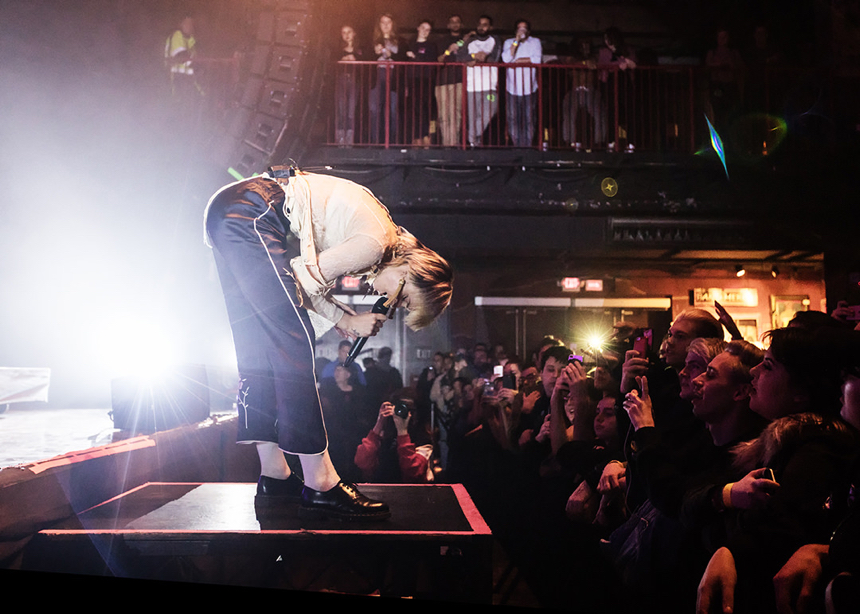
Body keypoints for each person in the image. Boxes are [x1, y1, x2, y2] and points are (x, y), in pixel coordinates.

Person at [203, 167, 453, 521]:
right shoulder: (374, 243)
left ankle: (275, 475)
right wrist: (345, 319)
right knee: (293, 347)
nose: (391, 303)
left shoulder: (378, 232)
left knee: (259, 351)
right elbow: (300, 279)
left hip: (232, 212)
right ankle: (321, 482)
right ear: (412, 271)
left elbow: (297, 278)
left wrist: (344, 317)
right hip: (251, 214)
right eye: (405, 299)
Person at [695, 327, 859, 613]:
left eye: (768, 366)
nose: (754, 372)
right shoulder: (771, 441)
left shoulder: (819, 449)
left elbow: (777, 528)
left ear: (801, 393)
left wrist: (732, 548)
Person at [354, 396, 432, 483]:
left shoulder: (423, 441)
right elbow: (361, 461)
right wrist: (379, 423)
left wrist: (402, 432)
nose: (406, 413)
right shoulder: (384, 435)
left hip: (410, 493)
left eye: (410, 410)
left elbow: (413, 472)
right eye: (400, 408)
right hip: (379, 490)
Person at [501, 19, 542, 147]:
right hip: (512, 88)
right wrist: (516, 41)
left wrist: (519, 61)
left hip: (530, 88)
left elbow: (537, 59)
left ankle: (527, 146)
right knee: (513, 119)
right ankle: (517, 145)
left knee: (529, 119)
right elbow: (506, 59)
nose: (522, 31)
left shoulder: (535, 42)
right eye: (519, 28)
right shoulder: (509, 42)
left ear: (528, 31)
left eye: (524, 28)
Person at [369, 14, 407, 144]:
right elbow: (365, 56)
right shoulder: (373, 41)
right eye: (382, 22)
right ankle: (375, 142)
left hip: (393, 76)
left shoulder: (400, 41)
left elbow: (404, 58)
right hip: (377, 76)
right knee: (375, 109)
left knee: (392, 110)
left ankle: (392, 142)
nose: (385, 25)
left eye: (388, 22)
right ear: (379, 25)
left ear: (393, 24)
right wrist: (375, 53)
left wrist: (393, 55)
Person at [463, 15, 501, 147]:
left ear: (490, 27)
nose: (481, 27)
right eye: (480, 24)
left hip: (489, 86)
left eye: (485, 24)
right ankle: (474, 144)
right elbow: (460, 56)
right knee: (473, 118)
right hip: (472, 87)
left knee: (488, 114)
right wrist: (473, 57)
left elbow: (495, 57)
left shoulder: (495, 39)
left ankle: (472, 137)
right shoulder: (470, 41)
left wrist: (484, 57)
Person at [435, 15, 468, 146]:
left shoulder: (466, 41)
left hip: (459, 80)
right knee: (444, 114)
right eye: (452, 22)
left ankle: (454, 144)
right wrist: (448, 51)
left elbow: (469, 54)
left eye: (458, 22)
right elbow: (439, 60)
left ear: (461, 25)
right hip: (442, 81)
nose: (455, 24)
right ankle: (446, 144)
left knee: (456, 114)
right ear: (448, 25)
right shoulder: (441, 41)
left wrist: (464, 41)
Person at [405, 19, 437, 146]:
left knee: (425, 108)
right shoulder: (410, 44)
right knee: (414, 108)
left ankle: (425, 135)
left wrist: (415, 57)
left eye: (428, 29)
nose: (425, 31)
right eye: (423, 28)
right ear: (418, 28)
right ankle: (416, 136)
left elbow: (431, 61)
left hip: (426, 79)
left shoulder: (431, 46)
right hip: (413, 79)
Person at [334, 24, 365, 146]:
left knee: (351, 109)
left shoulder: (360, 49)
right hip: (340, 80)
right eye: (344, 33)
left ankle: (350, 140)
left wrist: (354, 58)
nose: (346, 35)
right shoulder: (337, 49)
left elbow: (363, 61)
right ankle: (340, 140)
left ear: (354, 33)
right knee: (341, 109)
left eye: (349, 32)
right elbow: (334, 60)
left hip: (354, 81)